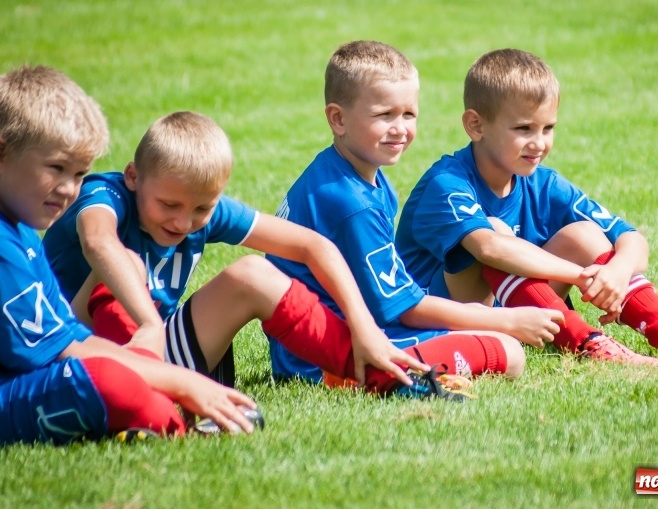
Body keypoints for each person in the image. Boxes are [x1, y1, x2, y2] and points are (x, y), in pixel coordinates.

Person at [43, 110, 434, 392]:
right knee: (125, 261)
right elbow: (98, 242)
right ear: (133, 177)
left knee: (254, 274)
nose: (183, 222)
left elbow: (312, 245)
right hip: (68, 356)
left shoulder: (202, 208)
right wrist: (149, 324)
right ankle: (140, 398)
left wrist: (362, 325)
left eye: (201, 209)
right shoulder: (104, 194)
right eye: (169, 206)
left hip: (152, 351)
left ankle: (379, 374)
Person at [395, 48, 658, 364]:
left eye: (548, 128)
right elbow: (490, 247)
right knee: (493, 231)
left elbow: (632, 240)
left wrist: (615, 272)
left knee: (585, 234)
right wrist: (582, 276)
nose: (539, 142)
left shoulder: (544, 183)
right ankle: (589, 344)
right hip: (449, 320)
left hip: (522, 313)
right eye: (524, 128)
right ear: (476, 125)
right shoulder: (447, 183)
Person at [268, 40, 567, 385]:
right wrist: (504, 321)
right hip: (324, 359)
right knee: (508, 352)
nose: (400, 128)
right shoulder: (352, 203)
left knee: (485, 335)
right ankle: (375, 379)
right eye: (384, 115)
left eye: (408, 114)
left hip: (318, 343)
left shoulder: (345, 174)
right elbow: (402, 309)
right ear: (338, 119)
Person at [0, 65, 260, 444]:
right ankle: (175, 421)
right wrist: (182, 382)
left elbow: (73, 338)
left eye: (79, 174)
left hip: (30, 376)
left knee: (116, 375)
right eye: (56, 168)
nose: (68, 189)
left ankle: (161, 412)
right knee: (107, 380)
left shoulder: (21, 230)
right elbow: (70, 352)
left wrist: (165, 375)